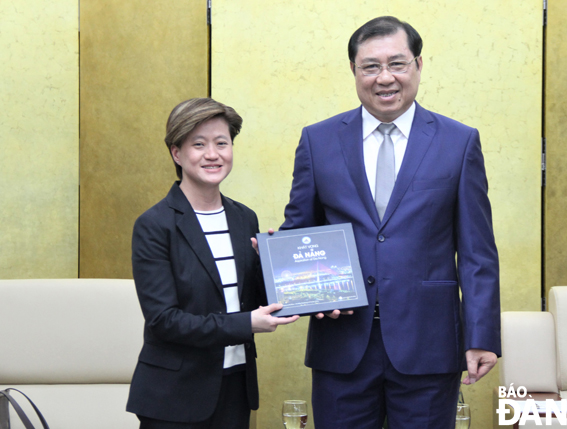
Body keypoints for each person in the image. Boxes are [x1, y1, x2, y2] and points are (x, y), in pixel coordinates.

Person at [280, 16, 501, 428]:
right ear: (353, 71)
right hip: (342, 343)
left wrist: (481, 336)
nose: (385, 78)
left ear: (418, 65)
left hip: (429, 343)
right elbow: (301, 230)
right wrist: (284, 259)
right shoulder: (318, 140)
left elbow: (477, 253)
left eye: (397, 64)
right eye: (371, 66)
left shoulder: (459, 141)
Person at [126, 98, 299, 429]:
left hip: (235, 385)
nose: (212, 154)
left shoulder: (243, 217)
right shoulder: (154, 225)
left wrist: (275, 267)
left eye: (222, 143)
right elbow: (164, 321)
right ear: (176, 153)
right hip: (174, 396)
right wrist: (244, 324)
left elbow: (251, 299)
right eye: (199, 144)